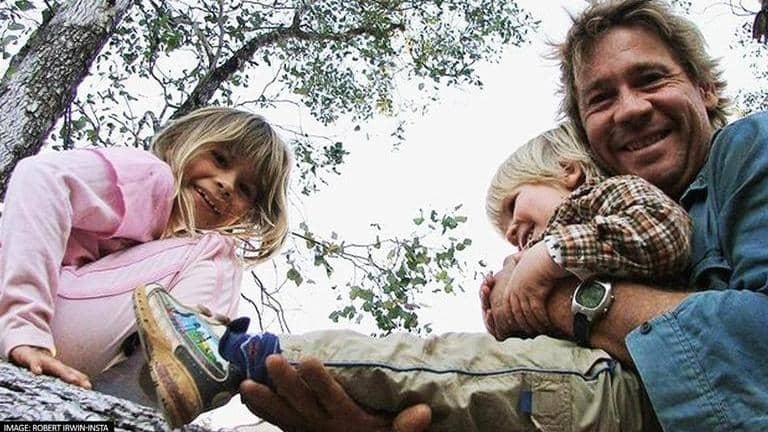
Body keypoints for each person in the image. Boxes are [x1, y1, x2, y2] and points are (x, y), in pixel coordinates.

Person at [242, 1, 768, 431]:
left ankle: (246, 354)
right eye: (600, 99)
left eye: (651, 79)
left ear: (705, 89)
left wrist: (556, 296)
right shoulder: (613, 227)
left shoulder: (748, 148)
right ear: (586, 133)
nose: (630, 109)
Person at [133, 122, 688, 430]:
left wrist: (547, 259)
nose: (517, 235)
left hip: (600, 384)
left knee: (425, 363)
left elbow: (662, 230)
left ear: (568, 173)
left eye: (515, 211)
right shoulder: (554, 256)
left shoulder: (604, 199)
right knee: (433, 392)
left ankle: (236, 354)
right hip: (571, 394)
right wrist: (508, 311)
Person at [0, 107, 291, 405]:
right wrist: (25, 327)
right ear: (178, 141)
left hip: (55, 342)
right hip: (23, 319)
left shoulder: (164, 247)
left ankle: (132, 396)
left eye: (245, 189)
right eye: (220, 159)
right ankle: (201, 358)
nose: (227, 184)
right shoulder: (153, 178)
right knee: (220, 252)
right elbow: (41, 176)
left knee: (174, 303)